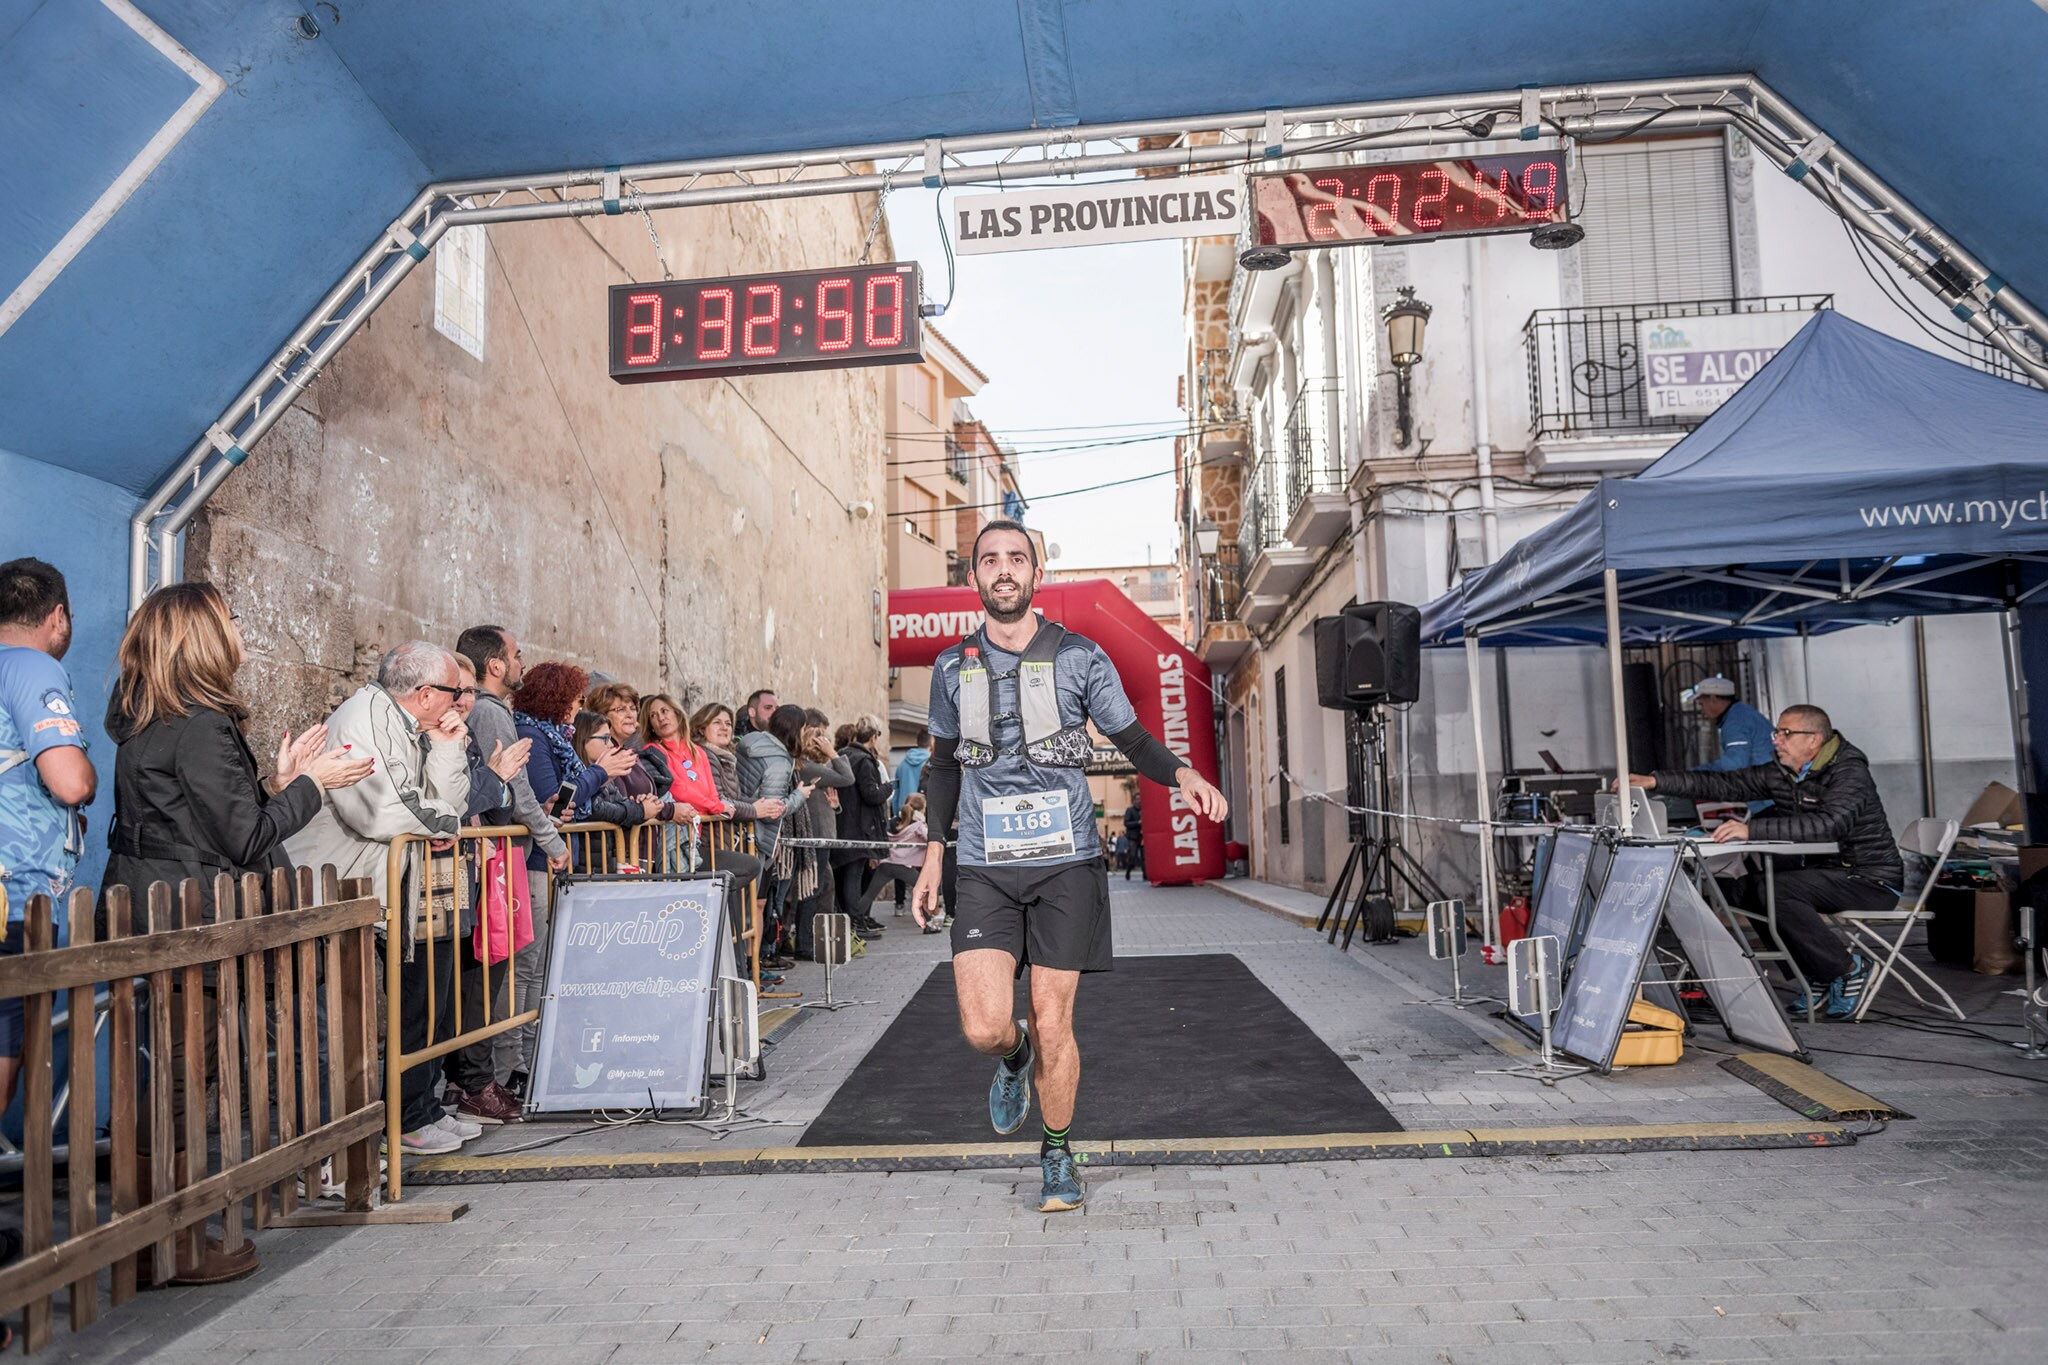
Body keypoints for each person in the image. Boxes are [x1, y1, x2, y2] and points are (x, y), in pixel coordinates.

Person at [912, 520, 1227, 1212]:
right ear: (974, 578)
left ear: (1037, 573)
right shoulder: (948, 667)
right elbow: (940, 767)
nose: (1003, 569)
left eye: (1016, 559)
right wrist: (934, 853)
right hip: (985, 866)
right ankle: (1014, 1059)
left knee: (1053, 1017)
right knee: (985, 1025)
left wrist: (1182, 775)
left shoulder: (1081, 657)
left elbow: (1133, 739)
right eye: (990, 559)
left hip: (1067, 866)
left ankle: (1057, 1153)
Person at [283, 642, 472, 1155]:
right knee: (337, 1026)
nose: (460, 703)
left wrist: (451, 749)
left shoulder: (411, 726)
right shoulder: (364, 718)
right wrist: (448, 823)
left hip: (380, 888)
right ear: (427, 692)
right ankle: (337, 1148)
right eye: (456, 693)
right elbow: (386, 811)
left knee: (412, 1004)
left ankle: (406, 1116)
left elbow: (444, 803)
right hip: (334, 888)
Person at [1627, 703, 1895, 1018]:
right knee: (1745, 890)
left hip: (1868, 877)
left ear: (1813, 740)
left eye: (1786, 733)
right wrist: (1655, 782)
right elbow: (1725, 784)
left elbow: (1828, 825)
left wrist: (1750, 829)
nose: (1776, 740)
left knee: (1777, 891)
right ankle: (1811, 973)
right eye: (1777, 732)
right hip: (1821, 872)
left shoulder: (1848, 771)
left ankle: (1848, 968)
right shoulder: (1782, 771)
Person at [0, 558, 96, 1155]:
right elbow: (69, 782)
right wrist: (82, 771)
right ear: (57, 616)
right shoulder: (34, 668)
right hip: (14, 896)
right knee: (4, 1047)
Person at [441, 651, 537, 1128]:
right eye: (456, 691)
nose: (464, 701)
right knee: (468, 985)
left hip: (483, 869)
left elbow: (495, 797)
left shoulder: (463, 733)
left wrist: (496, 786)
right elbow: (466, 799)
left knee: (480, 978)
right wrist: (497, 783)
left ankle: (471, 1082)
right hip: (456, 877)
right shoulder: (455, 732)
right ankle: (469, 1085)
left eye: (471, 692)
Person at [504, 658, 589, 1098]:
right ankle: (514, 1062)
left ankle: (533, 1055)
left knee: (537, 966)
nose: (579, 707)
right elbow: (535, 803)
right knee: (525, 966)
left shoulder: (550, 736)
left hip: (543, 859)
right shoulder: (535, 737)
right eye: (575, 698)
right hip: (534, 861)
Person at [697, 701, 791, 970]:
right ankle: (738, 974)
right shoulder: (707, 756)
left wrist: (756, 806)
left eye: (728, 722)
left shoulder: (726, 756)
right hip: (710, 841)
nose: (725, 727)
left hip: (727, 838)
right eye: (717, 722)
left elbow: (733, 799)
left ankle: (743, 973)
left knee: (739, 913)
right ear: (702, 727)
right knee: (733, 909)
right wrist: (756, 809)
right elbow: (718, 800)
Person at [740, 705, 817, 959]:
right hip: (758, 838)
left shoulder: (750, 742)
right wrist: (800, 795)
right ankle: (752, 969)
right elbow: (773, 808)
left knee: (750, 906)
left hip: (741, 832)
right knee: (755, 906)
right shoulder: (779, 761)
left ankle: (751, 967)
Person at [834, 716, 893, 937]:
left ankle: (849, 923)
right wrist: (887, 788)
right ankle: (856, 924)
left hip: (843, 825)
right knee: (854, 877)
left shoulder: (844, 754)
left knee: (845, 876)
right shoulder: (865, 761)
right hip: (860, 827)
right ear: (874, 736)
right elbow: (871, 794)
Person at [856, 793, 933, 929]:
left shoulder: (894, 822)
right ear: (921, 809)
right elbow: (929, 839)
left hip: (886, 864)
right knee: (923, 890)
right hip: (903, 866)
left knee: (869, 894)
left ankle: (853, 921)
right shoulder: (918, 825)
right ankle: (928, 923)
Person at [1693, 676, 1776, 773]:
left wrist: (1697, 774)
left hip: (1770, 781)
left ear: (1713, 698)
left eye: (1702, 704)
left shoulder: (1735, 721)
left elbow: (1736, 764)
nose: (1702, 711)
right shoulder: (1740, 712)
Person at [893, 728, 930, 816]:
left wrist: (896, 815)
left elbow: (896, 795)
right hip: (922, 815)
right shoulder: (930, 764)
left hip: (904, 814)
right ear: (932, 743)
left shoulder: (902, 765)